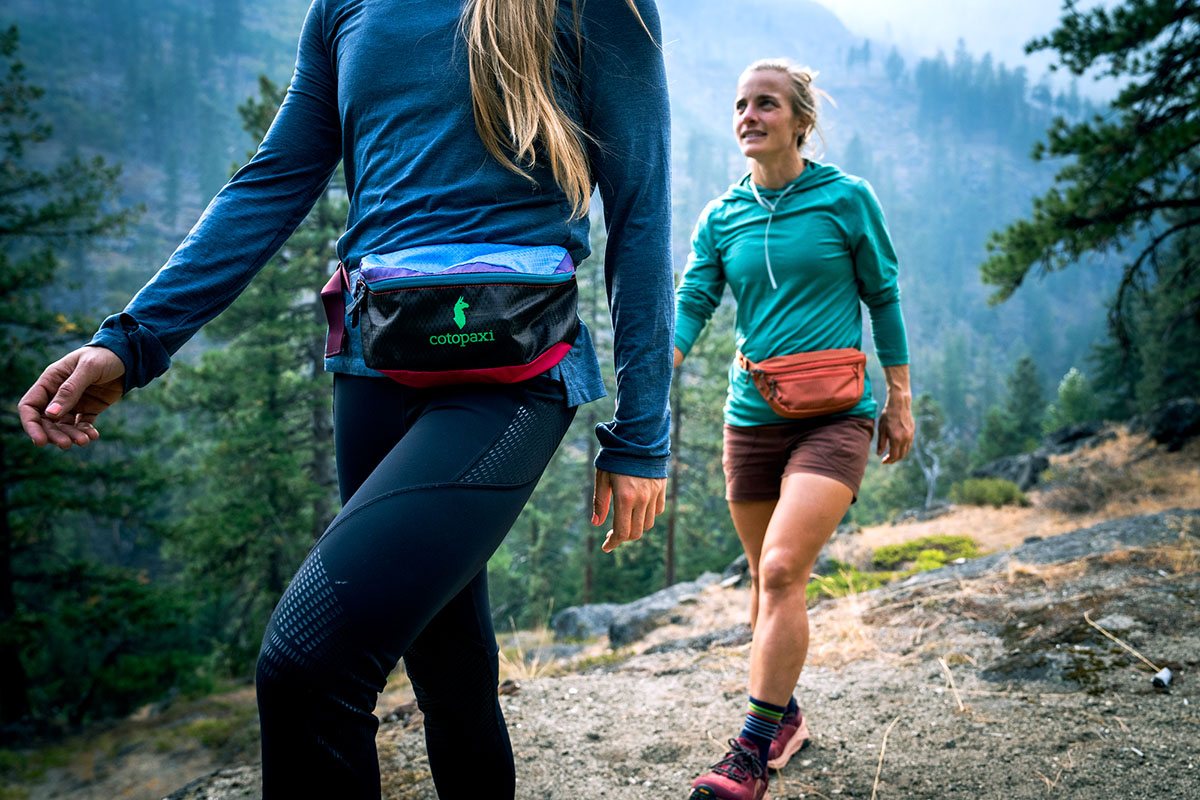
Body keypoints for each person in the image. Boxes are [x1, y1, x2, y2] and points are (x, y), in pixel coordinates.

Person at [17, 1, 673, 797]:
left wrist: (642, 436)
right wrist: (133, 339)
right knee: (449, 667)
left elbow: (640, 214)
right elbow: (273, 180)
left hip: (515, 375)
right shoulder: (343, 5)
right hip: (373, 365)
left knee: (307, 665)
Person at [675, 58, 913, 800]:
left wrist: (899, 397)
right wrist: (656, 372)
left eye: (766, 104)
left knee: (781, 570)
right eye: (741, 104)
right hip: (751, 417)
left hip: (838, 413)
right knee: (765, 581)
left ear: (801, 121)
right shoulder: (723, 216)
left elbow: (883, 295)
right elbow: (693, 301)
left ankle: (748, 755)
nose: (749, 115)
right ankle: (784, 714)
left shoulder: (845, 198)